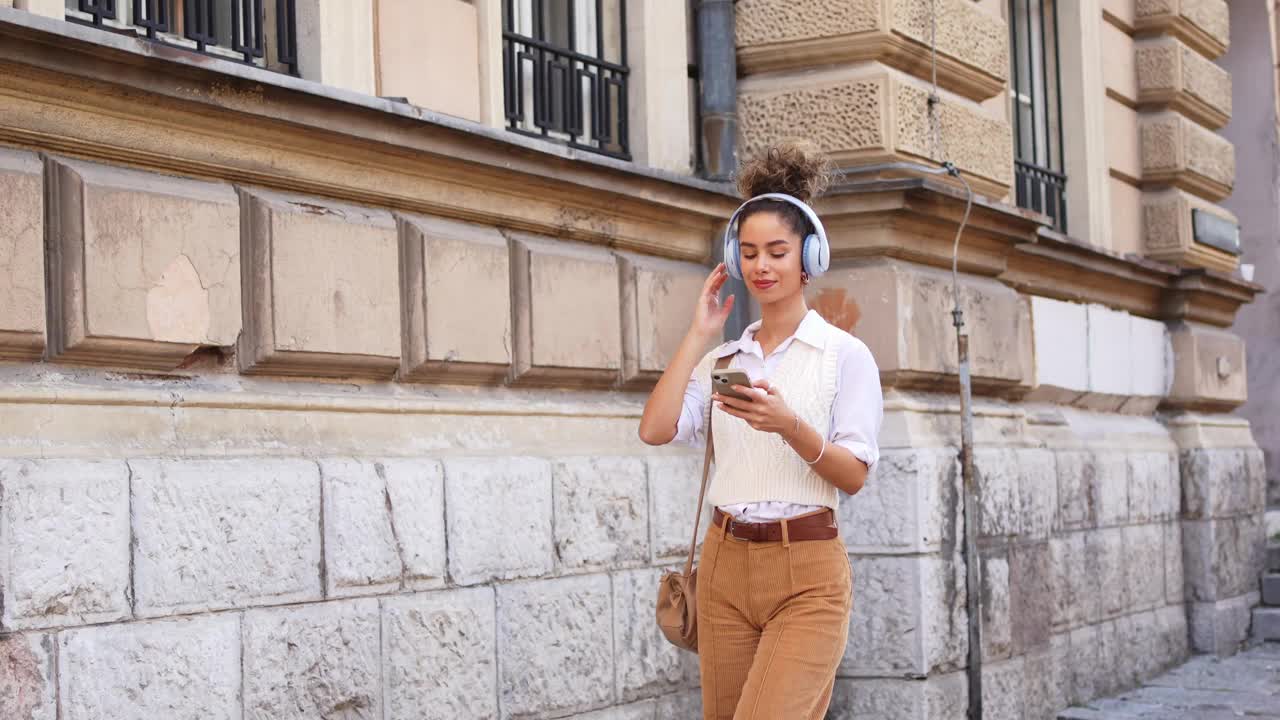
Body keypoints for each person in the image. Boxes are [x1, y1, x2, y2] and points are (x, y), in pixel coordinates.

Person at [638, 142, 884, 720]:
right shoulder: (726, 360)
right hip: (723, 565)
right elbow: (655, 429)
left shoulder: (845, 356)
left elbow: (853, 476)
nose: (762, 266)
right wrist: (699, 336)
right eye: (749, 253)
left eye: (777, 251)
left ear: (810, 259)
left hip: (807, 569)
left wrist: (789, 426)